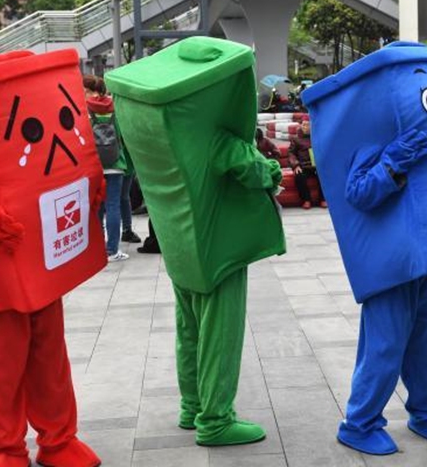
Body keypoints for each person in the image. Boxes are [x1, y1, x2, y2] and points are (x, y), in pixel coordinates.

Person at [301, 41, 427, 456]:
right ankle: (360, 422)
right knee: (386, 342)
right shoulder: (378, 134)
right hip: (393, 260)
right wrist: (392, 163)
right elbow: (357, 192)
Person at [105, 37, 285, 447]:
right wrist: (269, 168)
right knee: (221, 333)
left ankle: (191, 407)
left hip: (178, 243)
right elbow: (263, 174)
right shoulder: (216, 140)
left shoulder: (148, 122)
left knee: (189, 328)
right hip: (219, 244)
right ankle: (216, 420)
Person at [0, 50, 105, 467]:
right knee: (2, 365)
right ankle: (7, 447)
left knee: (50, 356)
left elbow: (71, 157)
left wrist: (90, 188)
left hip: (40, 264)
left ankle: (58, 439)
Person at [83, 75, 129, 262]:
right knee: (113, 206)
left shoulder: (83, 108)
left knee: (95, 207)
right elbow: (123, 135)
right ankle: (112, 250)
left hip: (94, 165)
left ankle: (96, 248)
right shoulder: (115, 107)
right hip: (115, 163)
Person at [287, 119, 326, 209]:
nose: (306, 127)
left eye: (308, 125)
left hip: (317, 165)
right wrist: (295, 165)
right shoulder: (296, 139)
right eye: (304, 125)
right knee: (299, 175)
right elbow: (291, 153)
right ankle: (306, 200)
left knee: (325, 175)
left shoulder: (318, 137)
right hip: (303, 165)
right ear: (301, 126)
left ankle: (323, 199)